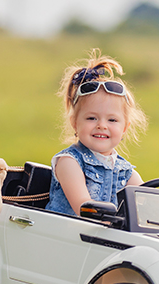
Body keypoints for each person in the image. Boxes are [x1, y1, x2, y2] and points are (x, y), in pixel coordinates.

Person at [45, 50, 148, 215]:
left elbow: (148, 202)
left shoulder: (126, 172)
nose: (102, 125)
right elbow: (84, 207)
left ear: (124, 129)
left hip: (99, 238)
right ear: (75, 123)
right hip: (66, 236)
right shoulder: (69, 163)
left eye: (112, 120)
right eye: (92, 118)